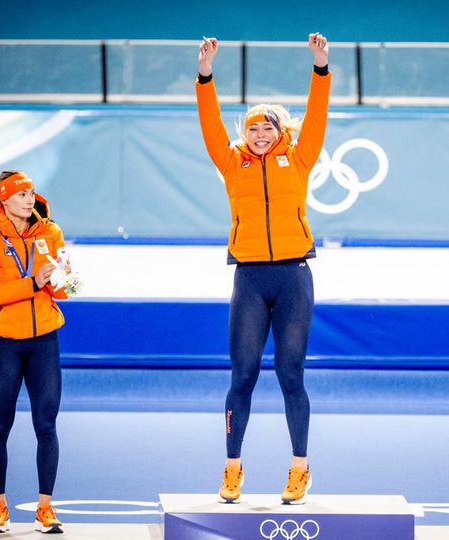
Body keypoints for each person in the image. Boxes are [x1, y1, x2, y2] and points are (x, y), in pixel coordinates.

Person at [196, 32, 331, 505]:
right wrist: (206, 76)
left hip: (293, 276)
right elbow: (210, 125)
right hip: (250, 278)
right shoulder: (232, 164)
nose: (259, 134)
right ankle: (232, 468)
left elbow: (316, 118)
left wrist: (320, 68)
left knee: (290, 373)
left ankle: (300, 468)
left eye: (267, 128)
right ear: (244, 133)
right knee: (244, 375)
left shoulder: (299, 159)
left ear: (280, 132)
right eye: (252, 128)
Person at [0, 170, 70, 534]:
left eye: (31, 193)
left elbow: (64, 290)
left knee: (46, 425)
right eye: (22, 194)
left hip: (44, 341)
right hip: (6, 345)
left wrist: (64, 280)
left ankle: (46, 508)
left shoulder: (51, 232)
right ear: (5, 200)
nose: (30, 199)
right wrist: (33, 282)